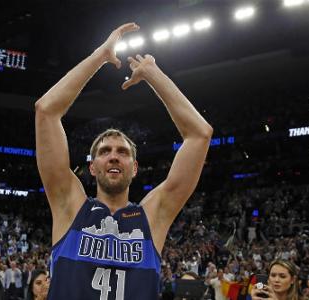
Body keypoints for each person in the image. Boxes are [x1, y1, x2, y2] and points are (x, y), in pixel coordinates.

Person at [35, 22, 213, 299]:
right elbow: (46, 111)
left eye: (123, 152)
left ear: (135, 167)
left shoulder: (153, 217)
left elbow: (200, 135)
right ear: (92, 168)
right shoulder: (68, 206)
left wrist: (155, 75)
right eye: (104, 151)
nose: (114, 155)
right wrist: (100, 56)